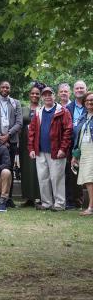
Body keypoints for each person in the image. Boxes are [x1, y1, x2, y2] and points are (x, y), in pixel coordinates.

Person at [28, 86, 72, 211]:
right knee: (43, 178)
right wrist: (31, 148)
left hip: (56, 151)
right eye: (45, 94)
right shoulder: (38, 111)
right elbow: (32, 131)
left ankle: (59, 204)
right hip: (40, 151)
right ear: (42, 97)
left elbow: (68, 131)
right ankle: (46, 203)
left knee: (57, 178)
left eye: (50, 94)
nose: (47, 96)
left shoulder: (62, 111)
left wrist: (63, 149)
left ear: (54, 96)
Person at [0, 81, 22, 207]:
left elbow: (19, 122)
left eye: (7, 87)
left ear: (10, 89)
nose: (5, 89)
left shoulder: (15, 103)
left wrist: (8, 135)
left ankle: (8, 198)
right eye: (3, 87)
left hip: (11, 141)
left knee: (9, 169)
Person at [65, 80, 88, 209]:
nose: (79, 90)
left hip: (87, 144)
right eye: (77, 88)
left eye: (82, 88)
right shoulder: (69, 108)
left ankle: (84, 201)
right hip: (72, 144)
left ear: (86, 89)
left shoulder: (90, 105)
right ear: (73, 91)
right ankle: (73, 201)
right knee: (72, 173)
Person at [19, 84, 41, 207]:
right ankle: (28, 198)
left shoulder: (43, 108)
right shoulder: (23, 109)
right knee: (26, 170)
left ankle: (39, 197)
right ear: (29, 95)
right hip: (24, 142)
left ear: (40, 96)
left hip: (38, 143)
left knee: (38, 170)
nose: (34, 95)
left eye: (37, 93)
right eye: (32, 93)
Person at [71, 91, 93, 216]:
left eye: (92, 100)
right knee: (88, 179)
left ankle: (91, 207)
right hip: (84, 151)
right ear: (84, 103)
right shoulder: (83, 117)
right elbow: (78, 138)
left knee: (90, 179)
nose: (90, 102)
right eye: (87, 100)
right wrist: (75, 155)